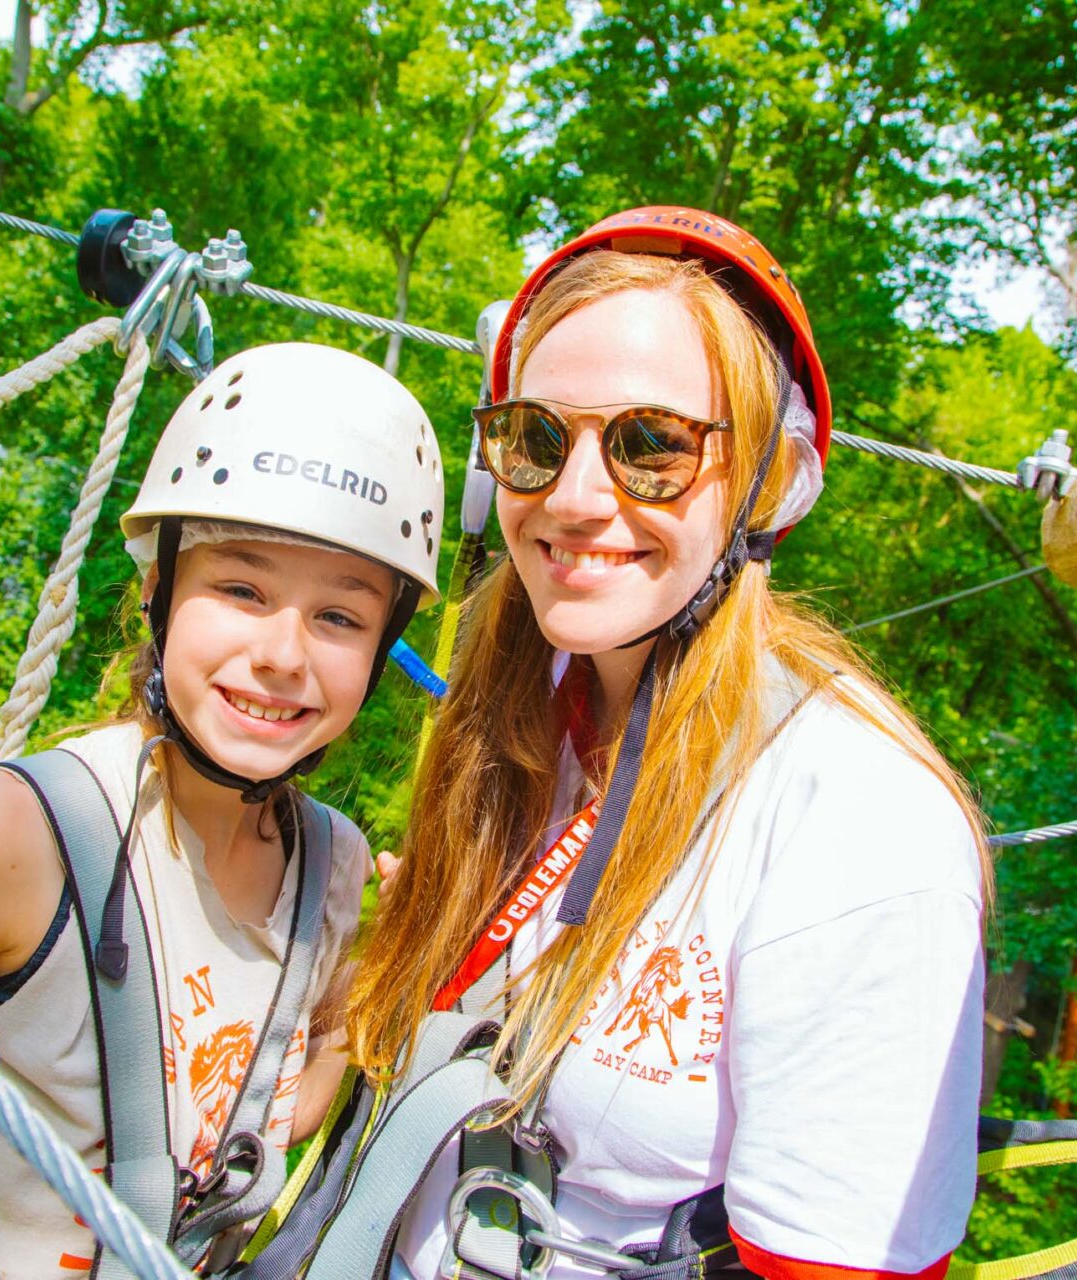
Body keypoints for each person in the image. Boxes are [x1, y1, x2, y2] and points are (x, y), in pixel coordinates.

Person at [346, 208, 989, 1279]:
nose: (574, 496)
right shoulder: (517, 718)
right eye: (532, 439)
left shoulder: (856, 824)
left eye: (651, 445)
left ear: (767, 482)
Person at [0, 341, 443, 1279]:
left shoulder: (334, 870)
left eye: (340, 617)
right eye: (240, 588)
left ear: (382, 646)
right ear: (159, 592)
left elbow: (269, 1097)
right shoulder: (7, 838)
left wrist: (385, 988)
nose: (284, 652)